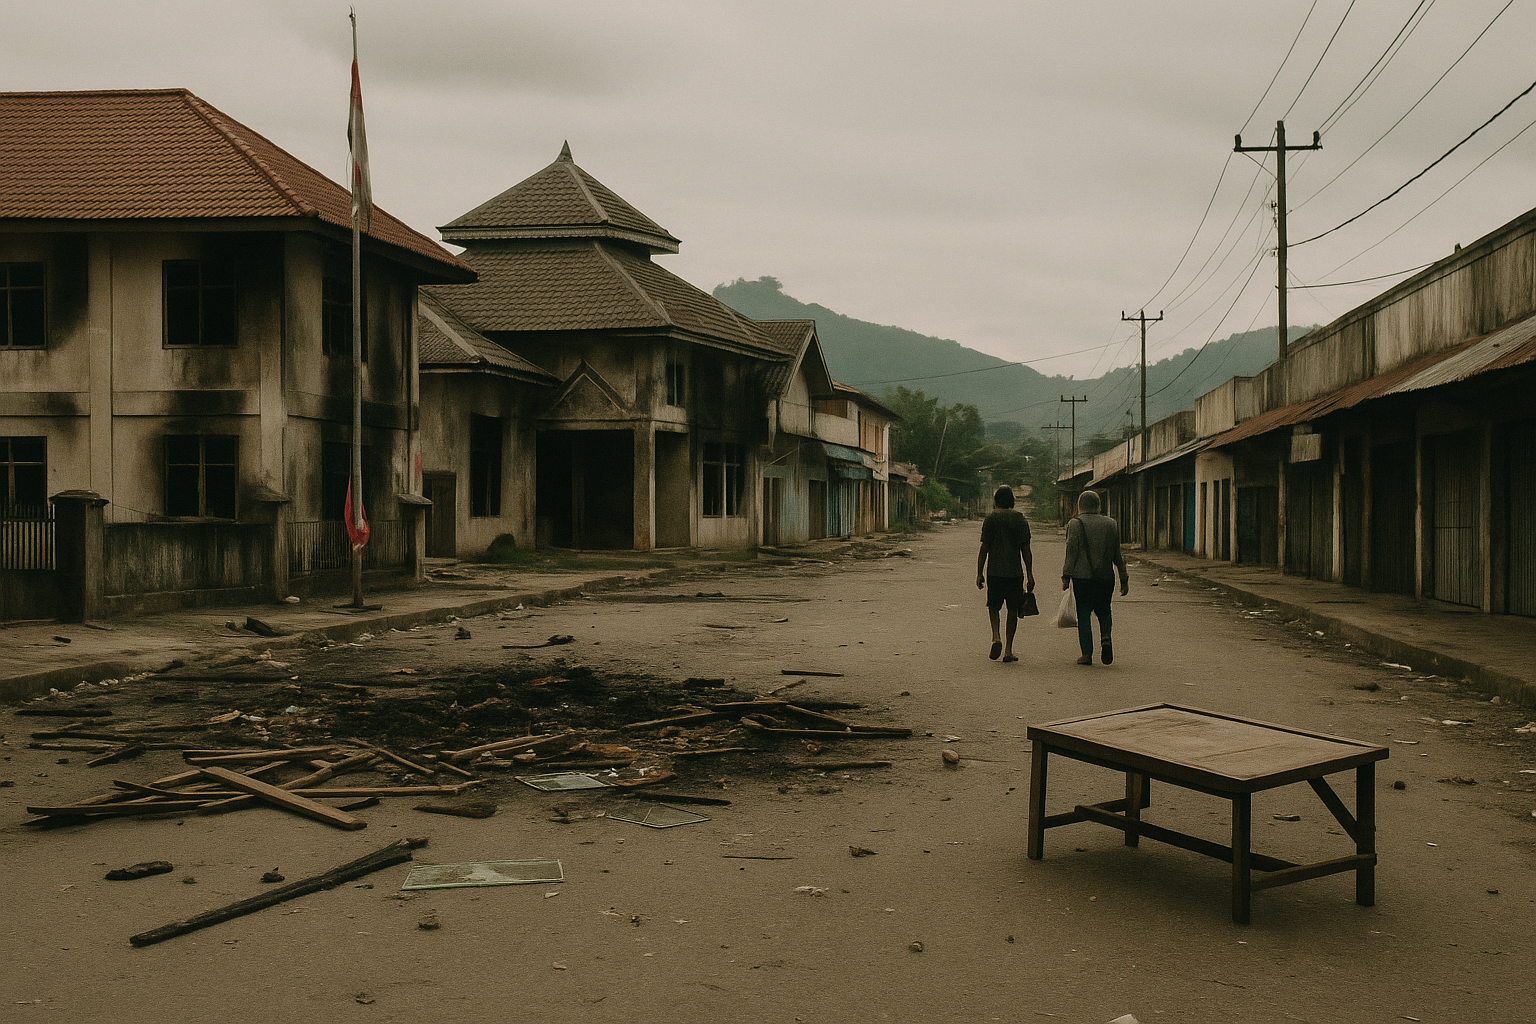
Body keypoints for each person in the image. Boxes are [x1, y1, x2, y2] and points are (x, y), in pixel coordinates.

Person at [1060, 489, 1128, 665]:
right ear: (1099, 505)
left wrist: (1066, 575)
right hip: (1105, 577)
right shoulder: (1111, 524)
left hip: (1082, 578)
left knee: (1084, 613)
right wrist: (1124, 577)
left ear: (1079, 505)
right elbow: (1117, 555)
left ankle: (1087, 654)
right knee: (1104, 610)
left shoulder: (1075, 524)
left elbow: (1071, 551)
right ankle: (1105, 636)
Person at [975, 485, 1035, 663]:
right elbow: (1026, 550)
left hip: (994, 571)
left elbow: (984, 548)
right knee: (1013, 609)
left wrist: (979, 573)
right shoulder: (1020, 519)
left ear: (995, 501)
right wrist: (1030, 575)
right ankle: (1008, 650)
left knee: (993, 606)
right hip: (1014, 572)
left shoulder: (991, 519)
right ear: (1012, 501)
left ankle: (996, 636)